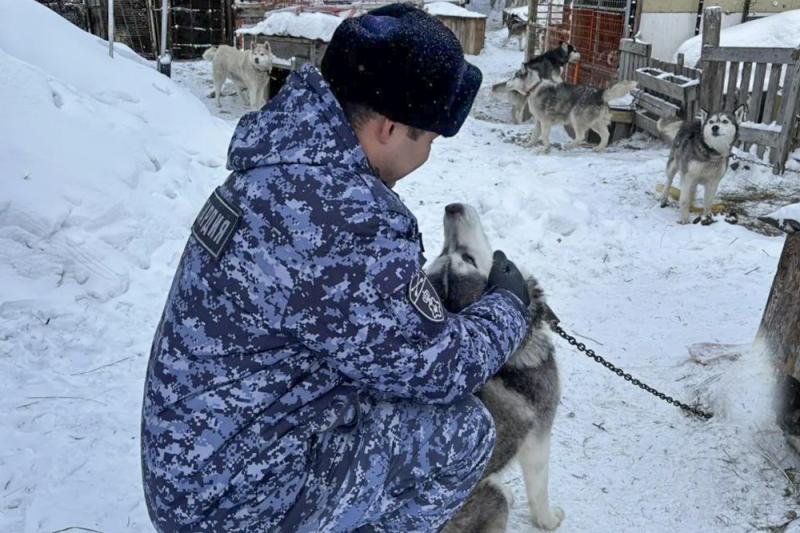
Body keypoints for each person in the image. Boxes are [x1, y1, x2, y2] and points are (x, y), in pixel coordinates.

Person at [140, 4, 533, 532]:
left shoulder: (284, 160)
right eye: (430, 140)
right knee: (462, 429)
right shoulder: (341, 216)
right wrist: (507, 307)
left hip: (197, 463)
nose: (428, 155)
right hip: (231, 505)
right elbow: (438, 370)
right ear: (390, 128)